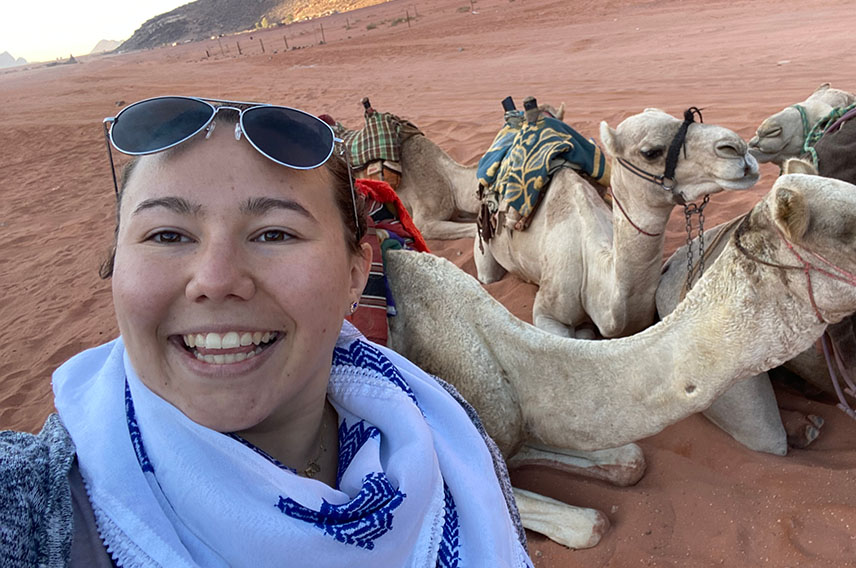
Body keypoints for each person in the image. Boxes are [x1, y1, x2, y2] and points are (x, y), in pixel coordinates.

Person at [0, 96, 533, 567]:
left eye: (274, 233)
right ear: (119, 264)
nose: (215, 280)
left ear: (355, 274)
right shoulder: (36, 506)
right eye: (167, 234)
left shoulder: (448, 432)